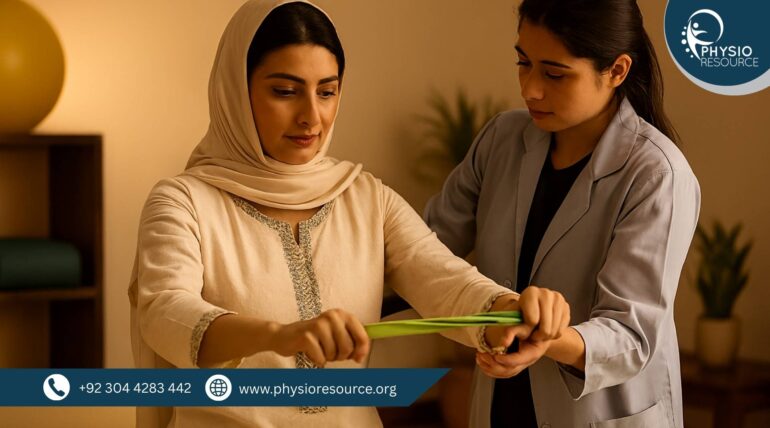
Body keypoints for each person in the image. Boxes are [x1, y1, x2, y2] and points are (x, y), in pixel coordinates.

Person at [127, 1, 569, 427]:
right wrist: (280, 335)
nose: (311, 116)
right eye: (284, 91)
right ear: (235, 90)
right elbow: (166, 313)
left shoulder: (365, 198)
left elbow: (447, 281)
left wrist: (511, 310)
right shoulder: (183, 201)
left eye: (327, 91)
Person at [424, 0, 701, 427]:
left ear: (617, 71)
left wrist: (548, 338)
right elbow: (424, 252)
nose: (530, 88)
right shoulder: (502, 138)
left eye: (554, 74)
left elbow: (630, 335)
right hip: (502, 405)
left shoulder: (656, 174)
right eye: (523, 63)